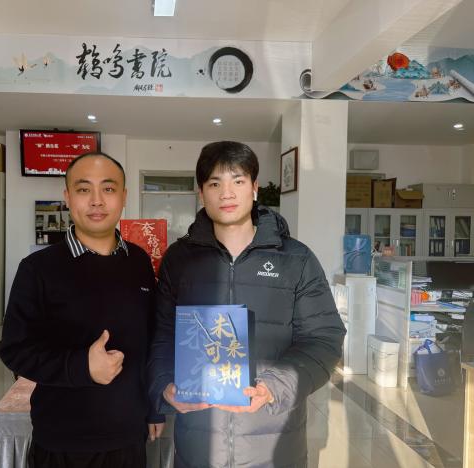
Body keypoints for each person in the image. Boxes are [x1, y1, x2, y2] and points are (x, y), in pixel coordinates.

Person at [148, 141, 346, 468]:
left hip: (273, 444)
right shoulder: (179, 260)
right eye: (215, 183)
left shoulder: (296, 260)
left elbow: (324, 338)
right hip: (198, 445)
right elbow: (162, 335)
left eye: (237, 181)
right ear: (201, 193)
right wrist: (164, 385)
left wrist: (274, 387)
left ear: (254, 188)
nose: (226, 193)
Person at [1, 152, 164, 468]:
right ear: (67, 197)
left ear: (124, 197)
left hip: (129, 436)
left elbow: (151, 339)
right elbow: (15, 351)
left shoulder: (139, 262)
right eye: (84, 189)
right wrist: (81, 367)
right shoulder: (38, 268)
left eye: (108, 188)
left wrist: (154, 407)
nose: (96, 200)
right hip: (63, 440)